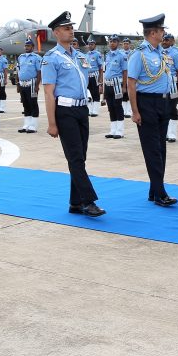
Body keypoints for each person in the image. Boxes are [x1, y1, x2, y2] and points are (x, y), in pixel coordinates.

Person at [42, 11, 105, 217]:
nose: (71, 31)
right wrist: (52, 123)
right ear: (56, 33)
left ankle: (75, 202)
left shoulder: (80, 56)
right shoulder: (52, 58)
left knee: (80, 158)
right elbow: (49, 92)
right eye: (67, 28)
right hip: (65, 111)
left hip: (81, 110)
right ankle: (88, 201)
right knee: (75, 157)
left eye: (71, 27)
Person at [127, 14, 178, 207]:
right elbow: (131, 83)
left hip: (162, 103)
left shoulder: (159, 53)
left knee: (161, 148)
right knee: (152, 150)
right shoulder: (139, 54)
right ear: (153, 33)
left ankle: (154, 190)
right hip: (146, 104)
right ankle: (160, 193)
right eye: (161, 30)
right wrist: (135, 111)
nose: (164, 33)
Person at [102, 35, 128, 139]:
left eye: (114, 41)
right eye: (110, 41)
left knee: (117, 106)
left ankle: (120, 131)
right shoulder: (107, 55)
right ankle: (113, 130)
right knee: (110, 107)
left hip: (117, 84)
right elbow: (106, 71)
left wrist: (124, 86)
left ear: (118, 43)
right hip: (108, 84)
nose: (112, 43)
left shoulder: (122, 55)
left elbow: (125, 71)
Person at [161, 32, 178, 142]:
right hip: (161, 85)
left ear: (172, 42)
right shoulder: (159, 52)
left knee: (172, 108)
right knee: (162, 109)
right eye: (163, 40)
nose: (164, 42)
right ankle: (165, 132)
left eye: (167, 40)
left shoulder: (175, 53)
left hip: (172, 85)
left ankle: (172, 133)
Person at [16, 39, 42, 133]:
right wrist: (18, 84)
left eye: (29, 46)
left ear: (32, 47)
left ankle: (33, 126)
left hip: (32, 84)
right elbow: (18, 71)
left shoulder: (37, 58)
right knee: (25, 104)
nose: (26, 47)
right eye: (26, 46)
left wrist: (37, 85)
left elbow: (39, 72)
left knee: (33, 104)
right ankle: (26, 125)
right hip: (22, 83)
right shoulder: (20, 57)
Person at [85, 38, 103, 117]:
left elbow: (101, 67)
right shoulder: (86, 55)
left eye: (92, 44)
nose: (90, 45)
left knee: (95, 93)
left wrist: (100, 78)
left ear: (95, 45)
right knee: (88, 93)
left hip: (95, 75)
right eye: (89, 44)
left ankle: (95, 111)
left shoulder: (97, 54)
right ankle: (89, 110)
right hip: (88, 75)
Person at [0, 46, 9, 113]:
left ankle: (2, 107)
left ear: (2, 52)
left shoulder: (4, 60)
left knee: (2, 91)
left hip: (1, 75)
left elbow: (5, 70)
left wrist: (6, 79)